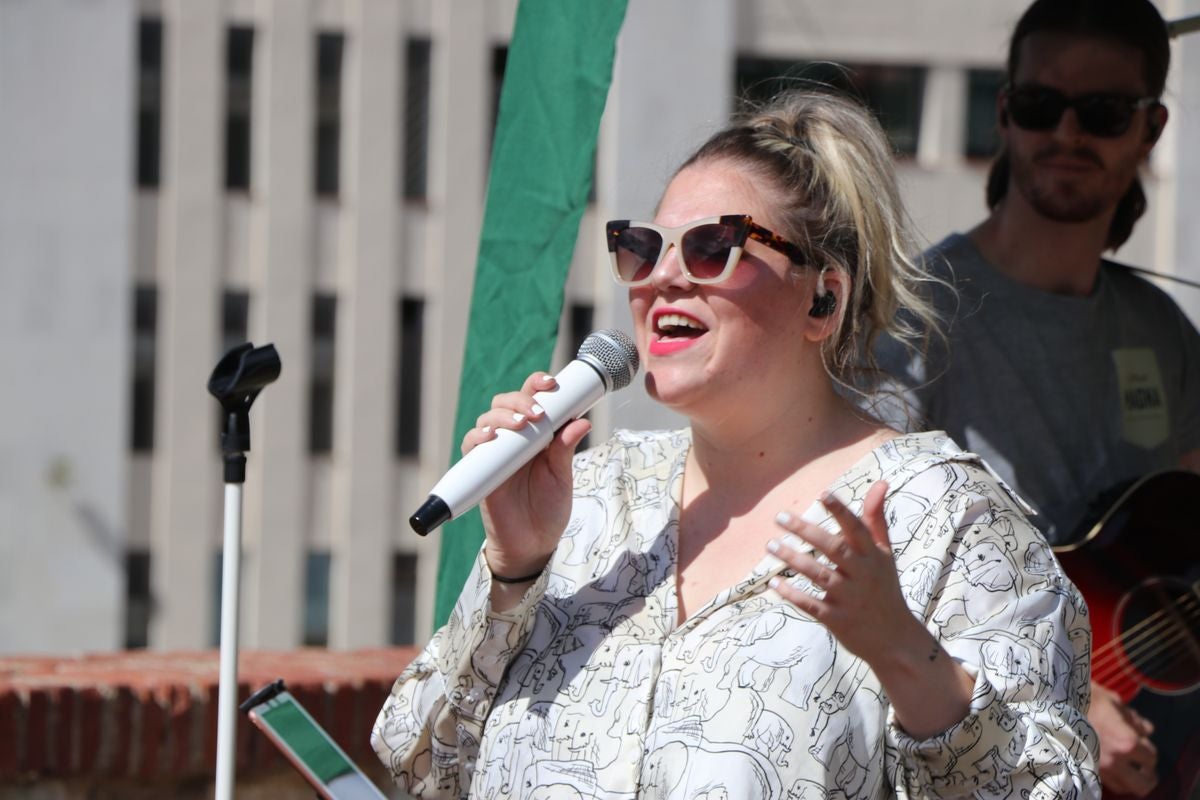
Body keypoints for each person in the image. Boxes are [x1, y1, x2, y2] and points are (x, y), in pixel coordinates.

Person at [372, 90, 1099, 798]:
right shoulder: (588, 500)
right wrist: (514, 574)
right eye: (641, 247)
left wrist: (908, 658)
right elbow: (426, 772)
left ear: (823, 299)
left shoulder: (945, 520)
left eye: (713, 247)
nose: (661, 278)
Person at [873, 1, 1200, 796]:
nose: (1067, 134)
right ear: (1005, 113)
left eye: (1102, 112)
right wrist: (1076, 695)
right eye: (1040, 106)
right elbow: (873, 571)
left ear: (1150, 129)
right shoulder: (913, 321)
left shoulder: (1163, 333)